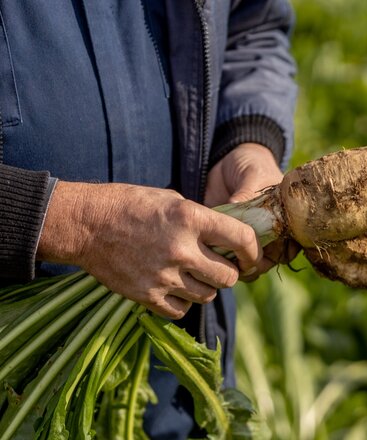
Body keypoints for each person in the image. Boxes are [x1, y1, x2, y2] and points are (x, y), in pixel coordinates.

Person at [0, 0, 297, 437]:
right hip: (19, 389)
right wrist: (74, 223)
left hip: (175, 388)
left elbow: (252, 27)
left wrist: (246, 141)